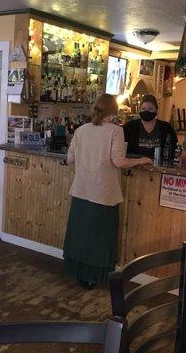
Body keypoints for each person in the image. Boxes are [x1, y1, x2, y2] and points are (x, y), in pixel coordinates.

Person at [63, 94, 153, 289]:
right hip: (104, 194)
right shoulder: (115, 131)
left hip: (81, 191)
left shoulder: (81, 130)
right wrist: (141, 160)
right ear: (113, 111)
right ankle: (95, 276)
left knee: (80, 235)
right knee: (100, 237)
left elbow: (69, 158)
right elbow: (119, 162)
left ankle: (79, 274)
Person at [123, 94, 177, 158]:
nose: (147, 112)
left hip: (159, 165)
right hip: (134, 165)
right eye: (143, 109)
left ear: (156, 110)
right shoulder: (129, 127)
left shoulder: (166, 127)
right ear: (139, 110)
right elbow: (121, 148)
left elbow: (173, 148)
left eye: (150, 109)